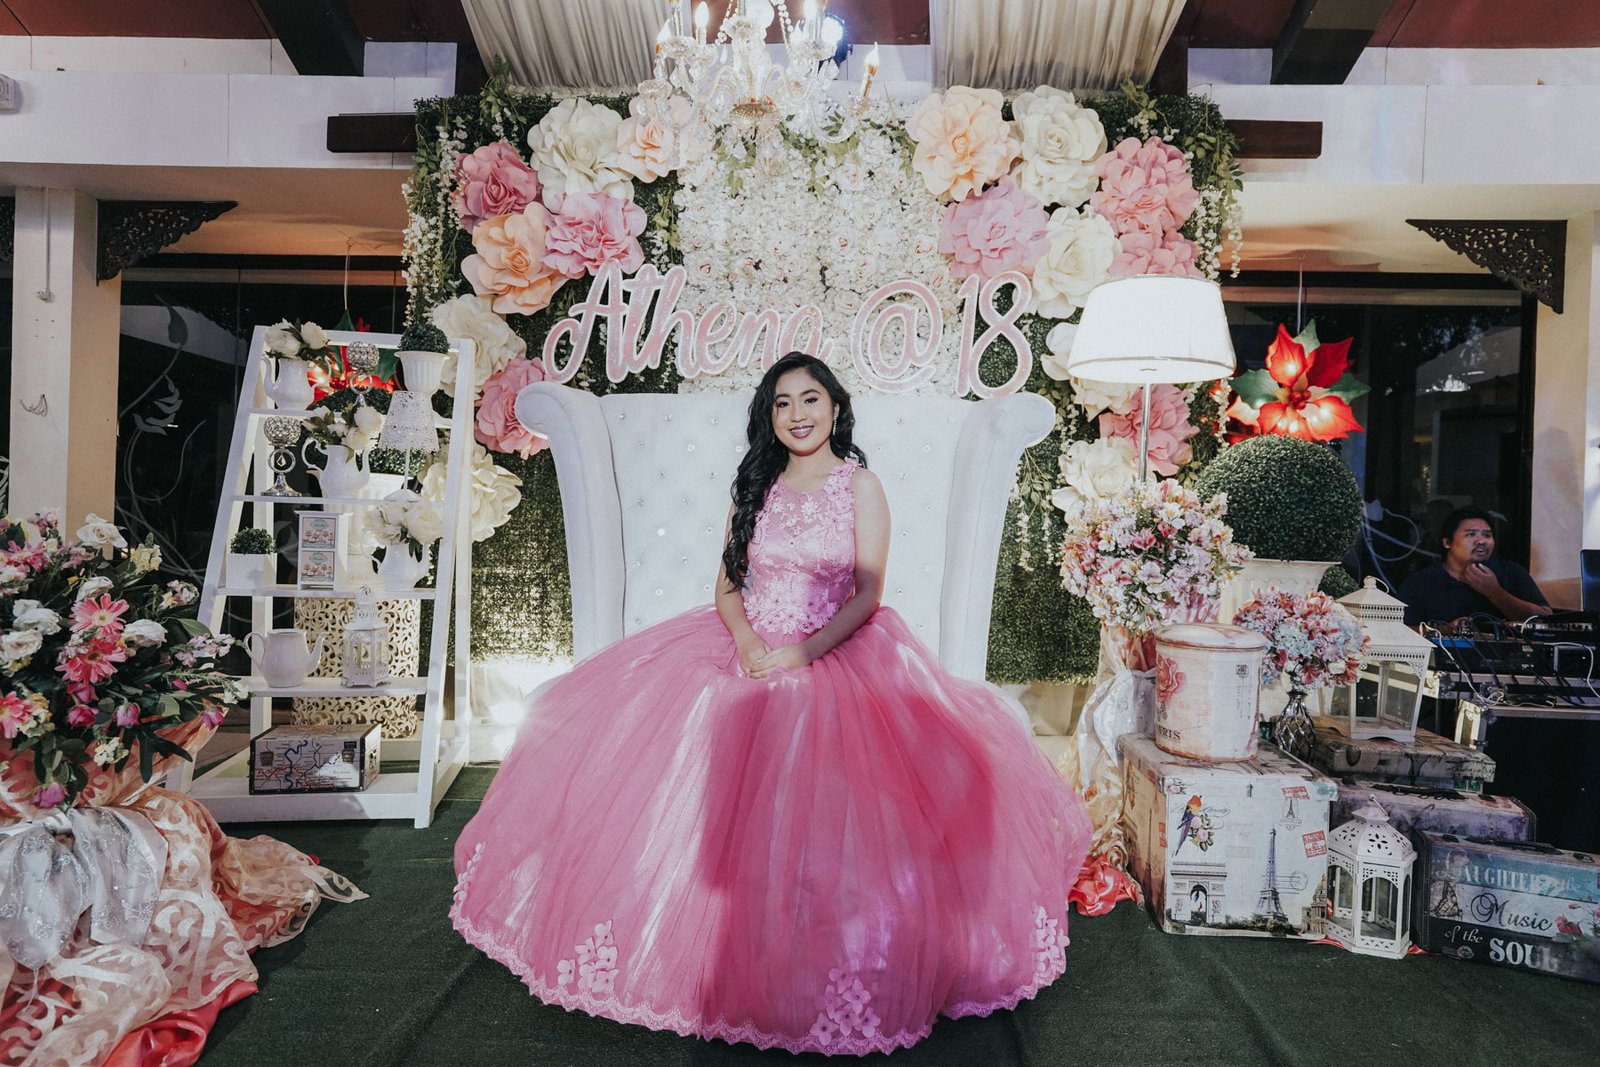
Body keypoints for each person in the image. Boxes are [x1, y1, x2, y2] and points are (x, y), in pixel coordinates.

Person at [450, 353, 1092, 1055]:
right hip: (747, 645)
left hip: (834, 650)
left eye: (810, 399)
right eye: (783, 403)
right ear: (770, 416)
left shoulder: (860, 484)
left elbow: (868, 594)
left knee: (820, 764)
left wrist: (802, 653)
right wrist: (750, 641)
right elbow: (726, 589)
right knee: (674, 738)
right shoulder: (755, 486)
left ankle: (829, 958)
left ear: (835, 408)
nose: (797, 414)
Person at [1398, 506, 1550, 630]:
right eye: (1471, 534)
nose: (1481, 541)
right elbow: (1399, 631)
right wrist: (1445, 630)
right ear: (1447, 542)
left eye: (1487, 535)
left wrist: (1495, 592)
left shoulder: (1510, 572)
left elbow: (1546, 620)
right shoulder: (1421, 582)